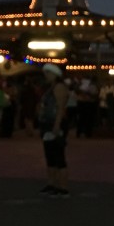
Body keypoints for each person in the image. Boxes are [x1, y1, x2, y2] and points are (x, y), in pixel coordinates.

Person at [38, 63, 70, 198]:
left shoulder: (59, 88)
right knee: (50, 155)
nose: (46, 76)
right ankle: (52, 183)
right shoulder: (51, 88)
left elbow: (61, 107)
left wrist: (57, 124)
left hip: (55, 123)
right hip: (48, 123)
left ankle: (62, 186)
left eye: (48, 73)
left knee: (58, 155)